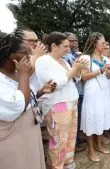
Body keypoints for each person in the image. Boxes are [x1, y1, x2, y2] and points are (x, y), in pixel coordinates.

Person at [0, 32, 55, 169]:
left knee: (32, 160)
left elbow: (23, 94)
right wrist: (24, 75)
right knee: (20, 162)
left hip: (28, 129)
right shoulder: (13, 75)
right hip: (13, 136)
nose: (30, 57)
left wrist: (41, 91)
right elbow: (17, 105)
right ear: (10, 55)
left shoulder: (16, 72)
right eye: (26, 53)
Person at [35, 32, 86, 169]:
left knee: (70, 136)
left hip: (72, 100)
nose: (68, 49)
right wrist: (74, 69)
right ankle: (56, 166)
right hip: (57, 104)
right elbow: (55, 84)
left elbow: (74, 80)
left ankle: (67, 163)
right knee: (58, 139)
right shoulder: (43, 61)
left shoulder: (64, 61)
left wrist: (77, 71)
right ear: (54, 46)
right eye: (65, 46)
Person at [80, 32, 110, 162]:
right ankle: (91, 150)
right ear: (94, 43)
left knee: (101, 117)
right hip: (92, 92)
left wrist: (109, 71)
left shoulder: (105, 59)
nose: (105, 45)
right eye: (102, 43)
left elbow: (109, 76)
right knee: (91, 118)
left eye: (105, 43)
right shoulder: (85, 58)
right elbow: (84, 76)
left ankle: (99, 145)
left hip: (104, 92)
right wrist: (100, 70)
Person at [62, 32, 86, 153]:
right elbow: (70, 73)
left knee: (76, 118)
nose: (75, 42)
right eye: (72, 40)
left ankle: (75, 140)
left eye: (76, 40)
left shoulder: (73, 55)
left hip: (79, 91)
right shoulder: (64, 56)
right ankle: (72, 145)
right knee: (70, 120)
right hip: (70, 92)